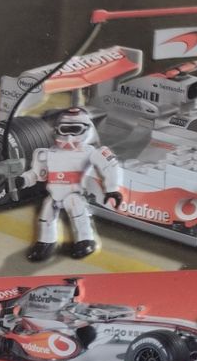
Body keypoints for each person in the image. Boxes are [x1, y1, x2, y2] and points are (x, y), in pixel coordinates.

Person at [19, 107, 123, 261]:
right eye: (65, 129)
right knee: (46, 216)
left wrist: (112, 189)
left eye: (75, 129)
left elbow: (109, 166)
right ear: (58, 129)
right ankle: (45, 243)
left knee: (77, 210)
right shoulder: (46, 153)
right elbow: (36, 174)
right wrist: (23, 180)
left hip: (73, 194)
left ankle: (85, 240)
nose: (69, 135)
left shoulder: (90, 151)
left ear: (86, 129)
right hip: (54, 194)